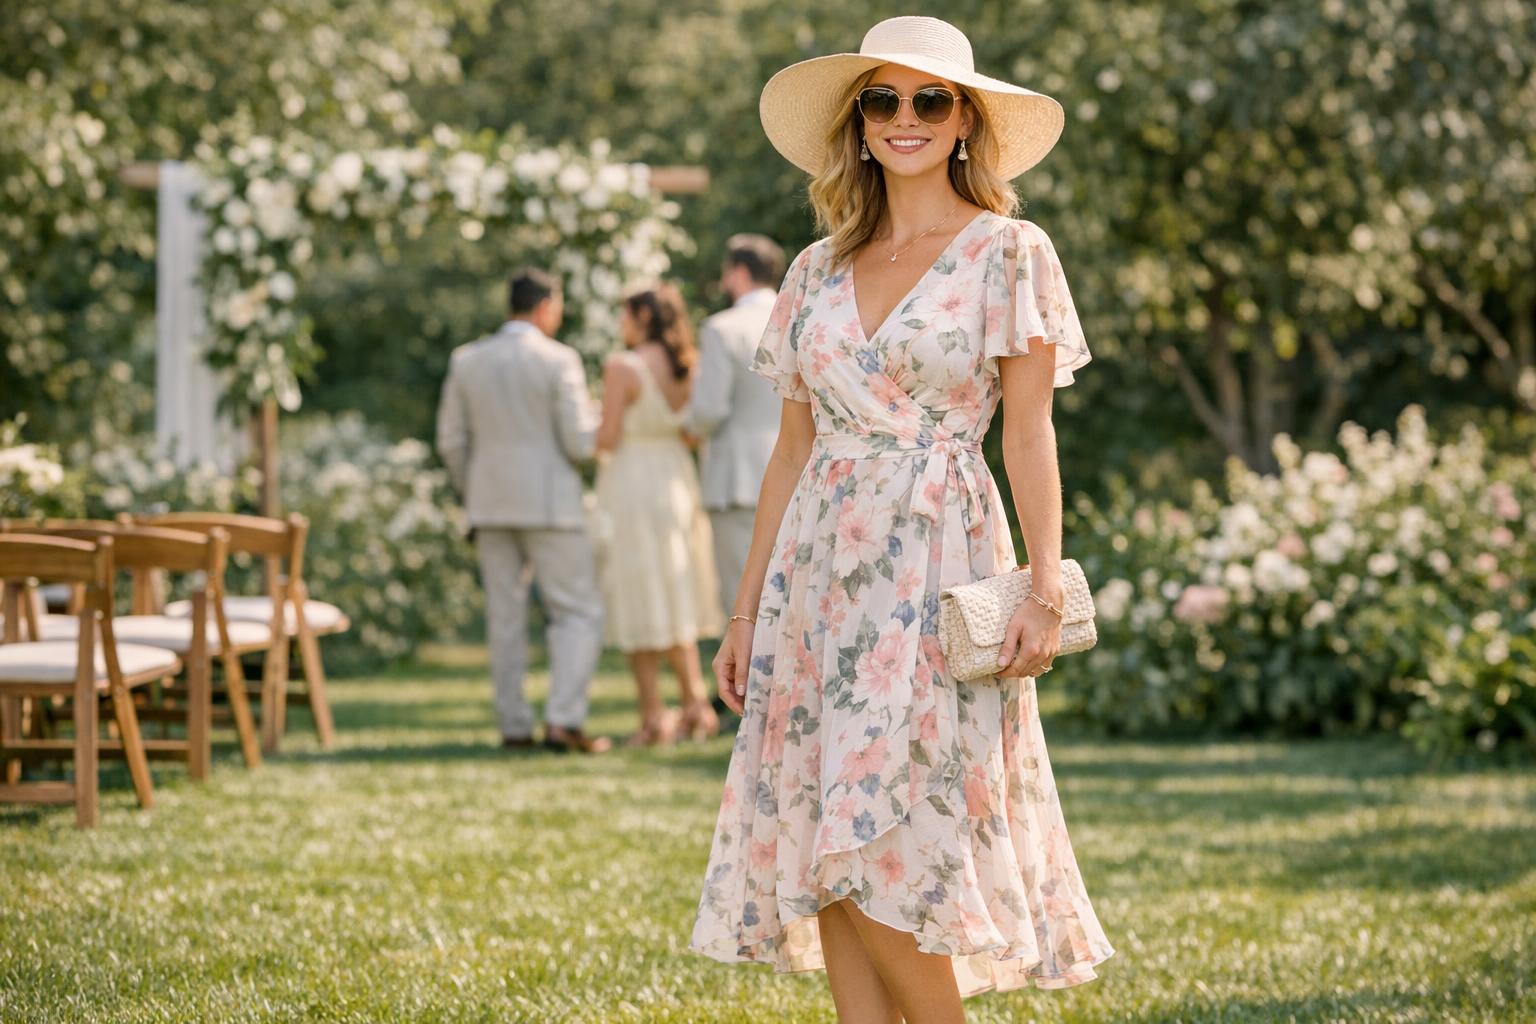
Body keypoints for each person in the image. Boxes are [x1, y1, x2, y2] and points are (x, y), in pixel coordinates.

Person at [689, 15, 1115, 1022]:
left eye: (931, 99)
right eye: (884, 100)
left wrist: (1044, 583)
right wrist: (745, 611)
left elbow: (1029, 434)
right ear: (860, 123)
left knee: (895, 828)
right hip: (816, 575)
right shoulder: (812, 270)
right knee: (821, 835)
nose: (907, 118)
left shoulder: (1011, 251)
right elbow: (790, 452)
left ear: (966, 119)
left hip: (940, 556)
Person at [435, 267, 612, 755]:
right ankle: (563, 721)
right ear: (544, 307)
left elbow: (451, 441)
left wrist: (473, 488)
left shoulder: (466, 360)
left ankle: (514, 725)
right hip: (551, 505)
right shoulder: (559, 360)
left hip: (489, 504)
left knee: (504, 618)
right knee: (577, 611)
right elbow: (578, 442)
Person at [594, 283, 725, 746]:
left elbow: (606, 438)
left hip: (633, 481)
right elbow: (692, 434)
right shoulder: (688, 365)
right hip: (676, 480)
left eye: (625, 315)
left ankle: (653, 716)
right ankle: (694, 707)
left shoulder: (622, 367)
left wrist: (592, 422)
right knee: (674, 593)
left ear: (643, 316)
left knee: (639, 594)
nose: (620, 325)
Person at [683, 235, 787, 633]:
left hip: (737, 476)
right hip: (797, 474)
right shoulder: (797, 315)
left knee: (741, 599)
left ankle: (745, 691)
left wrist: (685, 428)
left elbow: (709, 409)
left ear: (740, 273)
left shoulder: (721, 328)